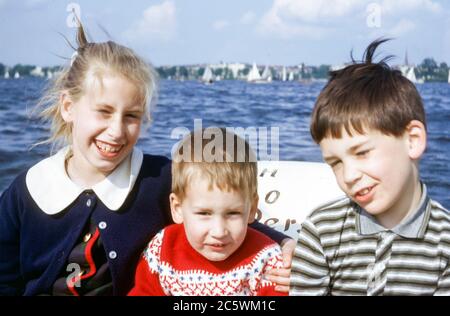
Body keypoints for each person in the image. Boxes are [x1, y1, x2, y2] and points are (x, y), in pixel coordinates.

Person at [0, 24, 289, 296]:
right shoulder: (27, 192)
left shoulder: (157, 179)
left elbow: (221, 207)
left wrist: (285, 243)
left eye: (131, 116)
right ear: (68, 107)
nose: (116, 131)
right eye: (103, 111)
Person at [290, 38, 450, 296]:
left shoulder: (445, 242)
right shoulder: (321, 230)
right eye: (336, 163)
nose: (349, 176)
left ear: (412, 140)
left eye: (362, 153)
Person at [129, 128, 286, 296]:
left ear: (252, 210)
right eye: (204, 214)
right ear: (177, 208)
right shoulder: (162, 250)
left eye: (233, 213)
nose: (219, 231)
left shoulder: (265, 260)